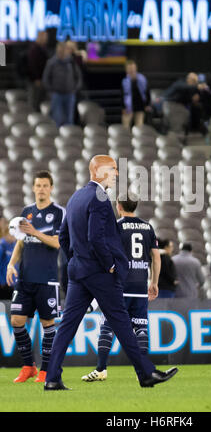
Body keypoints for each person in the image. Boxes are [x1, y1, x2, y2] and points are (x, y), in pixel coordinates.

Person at [44, 155, 178, 390]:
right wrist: (110, 265)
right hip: (100, 272)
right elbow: (96, 237)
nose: (116, 173)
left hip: (78, 271)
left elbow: (63, 237)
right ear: (100, 171)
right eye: (113, 169)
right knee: (122, 322)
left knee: (66, 326)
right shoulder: (100, 198)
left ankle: (52, 378)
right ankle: (146, 373)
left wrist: (76, 258)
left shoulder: (75, 197)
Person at [81, 192, 161, 382]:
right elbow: (156, 257)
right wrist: (154, 282)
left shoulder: (116, 227)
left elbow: (104, 253)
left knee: (107, 327)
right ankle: (143, 371)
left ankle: (101, 369)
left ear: (119, 206)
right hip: (140, 283)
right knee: (141, 328)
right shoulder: (148, 227)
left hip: (119, 284)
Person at [6, 170, 65, 383]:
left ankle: (46, 370)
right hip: (25, 278)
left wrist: (36, 232)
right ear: (33, 188)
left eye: (45, 186)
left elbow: (58, 243)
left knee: (48, 323)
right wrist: (11, 265)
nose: (41, 189)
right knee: (16, 320)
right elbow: (21, 242)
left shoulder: (58, 212)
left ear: (51, 188)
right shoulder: (26, 212)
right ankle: (28, 366)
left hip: (47, 279)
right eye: (38, 185)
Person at [42, 42, 83, 127]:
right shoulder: (51, 63)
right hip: (57, 95)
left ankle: (69, 138)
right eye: (59, 50)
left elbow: (78, 77)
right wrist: (51, 91)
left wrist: (74, 89)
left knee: (69, 120)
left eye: (63, 50)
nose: (61, 52)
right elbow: (46, 79)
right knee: (57, 119)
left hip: (70, 94)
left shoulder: (71, 62)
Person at [121, 59, 151, 129]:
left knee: (139, 127)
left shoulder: (142, 79)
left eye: (133, 68)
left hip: (140, 106)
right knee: (125, 127)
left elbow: (147, 92)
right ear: (126, 70)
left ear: (135, 68)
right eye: (129, 68)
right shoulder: (125, 81)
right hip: (128, 107)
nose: (131, 70)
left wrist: (147, 104)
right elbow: (123, 95)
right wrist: (123, 107)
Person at [27, 30, 49, 112]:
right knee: (34, 102)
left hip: (42, 80)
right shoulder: (34, 49)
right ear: (40, 37)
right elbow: (32, 65)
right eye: (45, 37)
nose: (46, 39)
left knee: (40, 102)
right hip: (35, 81)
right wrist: (36, 78)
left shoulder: (42, 49)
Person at [0, 218, 16, 300]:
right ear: (6, 234)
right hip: (3, 284)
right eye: (12, 234)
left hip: (12, 283)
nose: (14, 237)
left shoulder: (14, 245)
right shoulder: (2, 245)